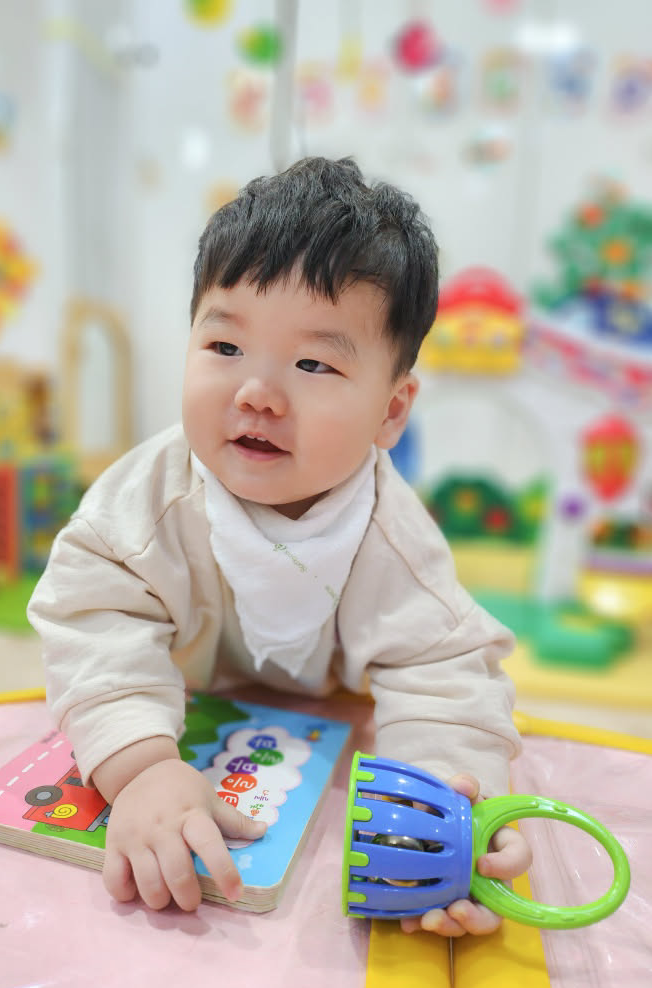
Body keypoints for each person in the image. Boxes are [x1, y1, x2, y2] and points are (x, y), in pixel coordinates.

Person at [27, 156, 529, 937]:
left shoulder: (392, 539)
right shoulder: (148, 502)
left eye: (313, 363)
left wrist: (438, 810)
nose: (256, 393)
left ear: (391, 412)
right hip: (179, 714)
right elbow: (91, 617)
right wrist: (143, 767)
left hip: (329, 737)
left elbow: (443, 676)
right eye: (224, 348)